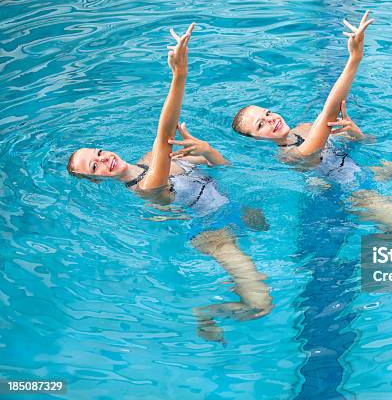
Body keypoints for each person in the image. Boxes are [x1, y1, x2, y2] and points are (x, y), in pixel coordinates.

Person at [66, 24, 271, 343]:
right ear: (96, 179)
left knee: (265, 228)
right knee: (260, 305)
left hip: (232, 208)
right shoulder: (147, 185)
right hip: (214, 235)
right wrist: (179, 76)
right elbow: (164, 134)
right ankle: (206, 312)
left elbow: (224, 168)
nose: (104, 159)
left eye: (100, 153)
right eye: (96, 166)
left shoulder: (150, 157)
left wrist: (208, 151)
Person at [229, 11, 392, 240]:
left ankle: (391, 234)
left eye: (267, 112)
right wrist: (355, 58)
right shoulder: (291, 155)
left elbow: (364, 144)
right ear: (257, 139)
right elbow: (330, 109)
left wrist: (356, 134)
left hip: (367, 173)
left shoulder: (303, 128)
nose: (271, 119)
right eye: (260, 124)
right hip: (357, 193)